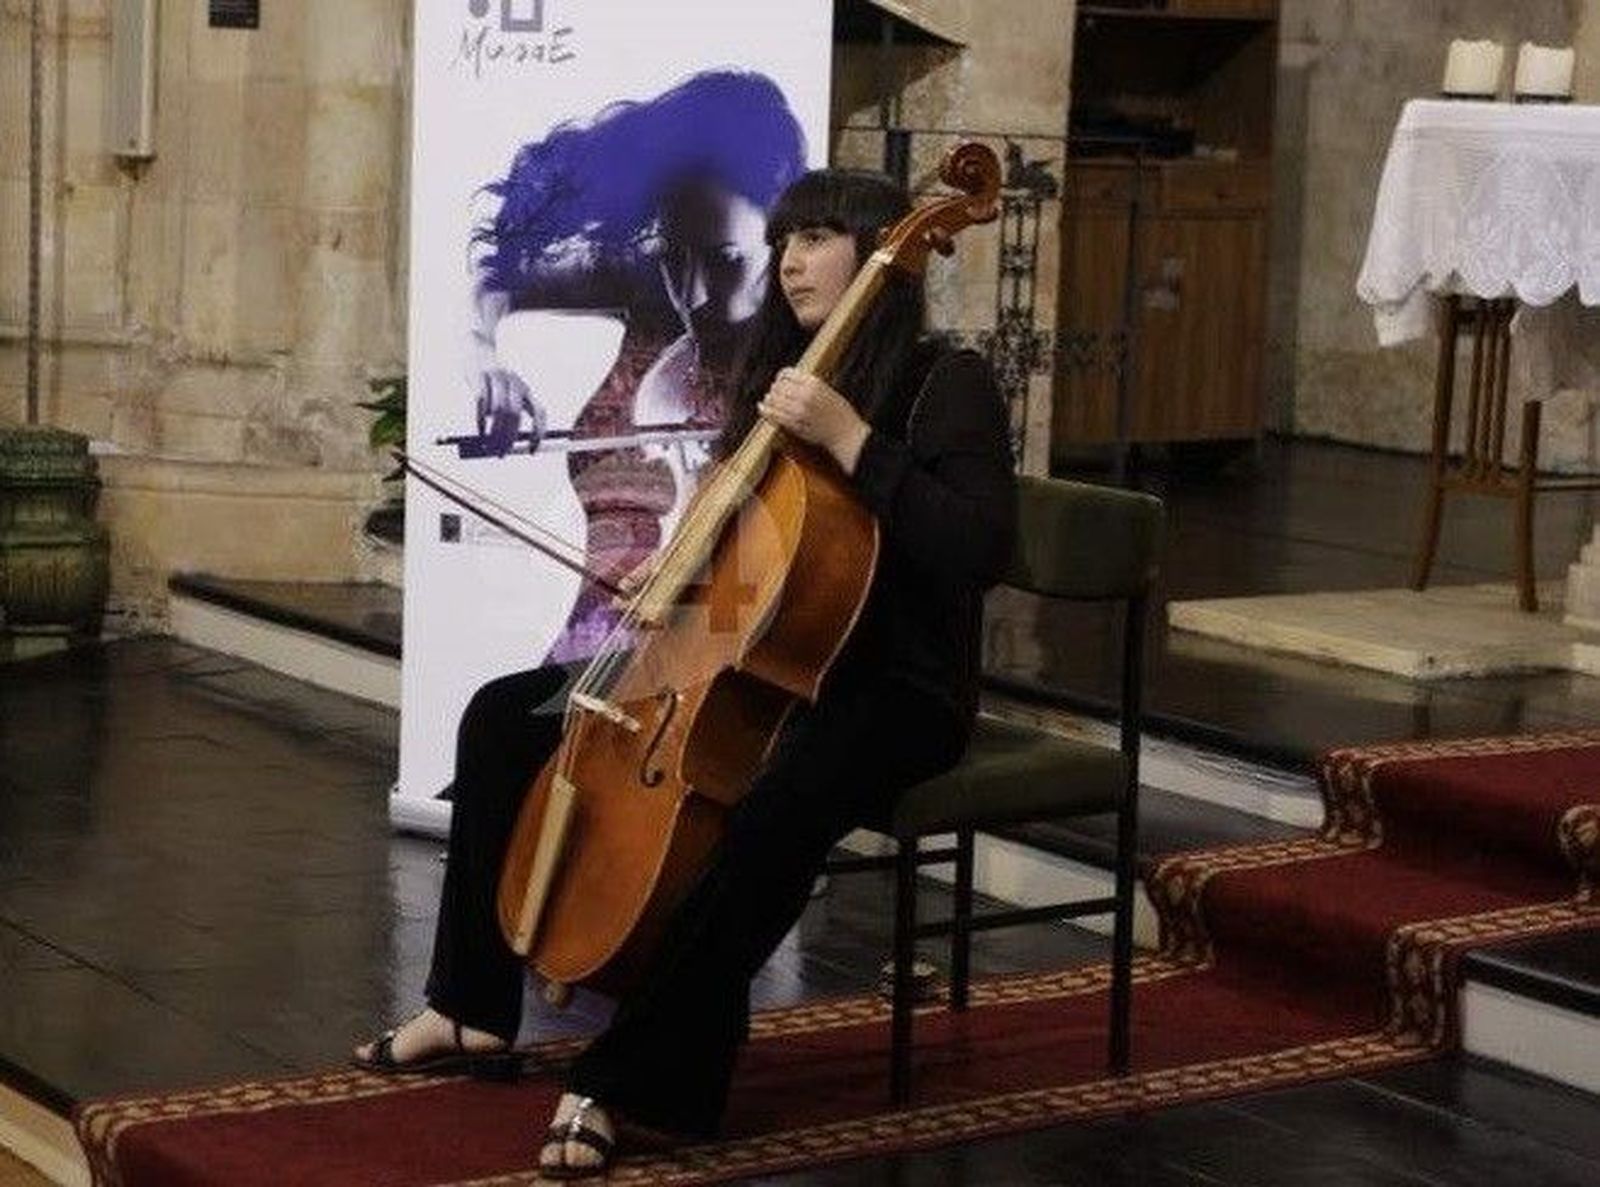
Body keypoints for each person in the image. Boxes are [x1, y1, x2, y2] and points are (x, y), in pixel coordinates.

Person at [356, 167, 1017, 1180]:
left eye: (821, 235)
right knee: (504, 718)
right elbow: (747, 557)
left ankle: (634, 1081)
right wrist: (669, 591)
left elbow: (977, 548)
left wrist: (851, 438)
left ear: (883, 253)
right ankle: (469, 1005)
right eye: (785, 237)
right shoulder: (772, 372)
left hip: (895, 690)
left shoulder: (942, 382)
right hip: (748, 660)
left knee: (773, 811)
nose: (792, 257)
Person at [466, 70, 807, 663]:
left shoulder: (805, 350)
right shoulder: (652, 284)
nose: (695, 294)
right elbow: (495, 282)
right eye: (677, 257)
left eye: (726, 259)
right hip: (584, 647)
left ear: (781, 236)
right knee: (498, 727)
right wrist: (484, 359)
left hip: (699, 653)